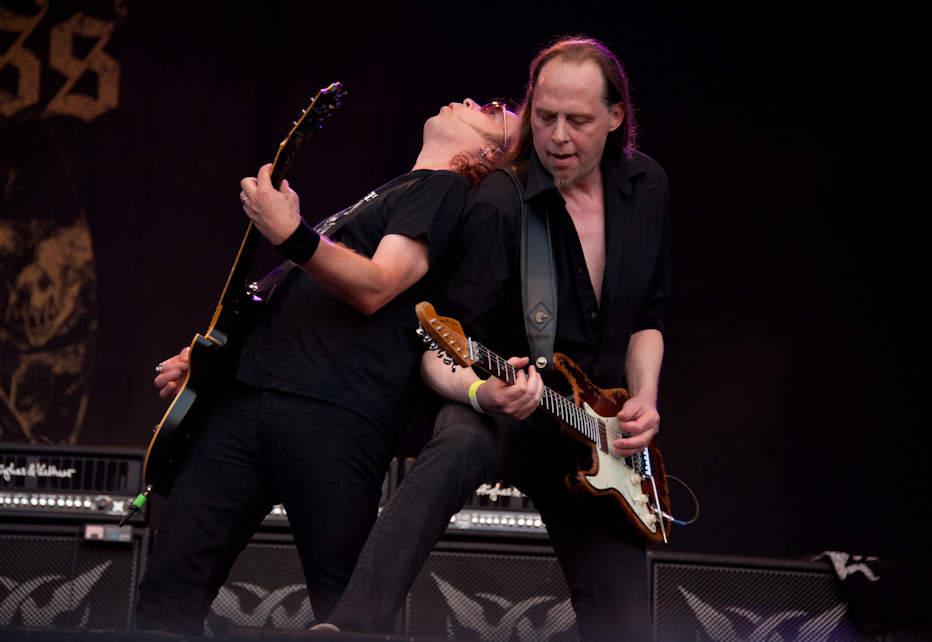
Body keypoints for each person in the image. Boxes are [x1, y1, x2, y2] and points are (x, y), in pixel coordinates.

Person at [328, 36, 669, 641]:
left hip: (599, 433)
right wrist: (484, 393)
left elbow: (648, 317)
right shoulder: (502, 204)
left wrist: (643, 397)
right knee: (459, 444)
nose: (557, 136)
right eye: (544, 116)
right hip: (510, 405)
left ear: (616, 116)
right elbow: (438, 345)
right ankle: (351, 628)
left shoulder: (646, 187)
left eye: (578, 121)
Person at [135, 97, 519, 635]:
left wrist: (292, 234)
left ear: (488, 154)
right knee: (168, 590)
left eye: (493, 110)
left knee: (347, 615)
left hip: (335, 412)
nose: (474, 100)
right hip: (245, 397)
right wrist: (210, 362)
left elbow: (377, 286)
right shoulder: (395, 191)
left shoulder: (444, 189)